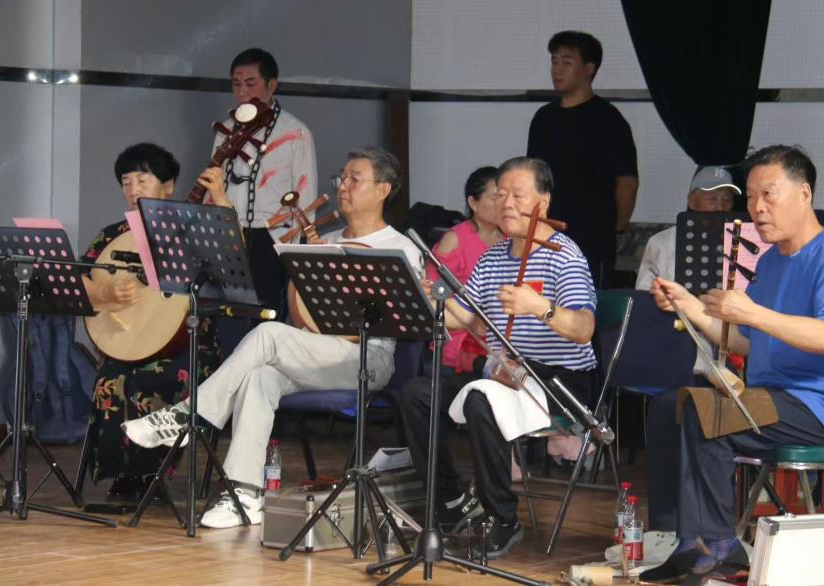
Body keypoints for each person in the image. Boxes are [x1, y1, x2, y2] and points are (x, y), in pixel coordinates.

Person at [122, 147, 421, 528]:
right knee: (259, 377)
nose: (343, 186)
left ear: (383, 190)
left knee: (267, 333)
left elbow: (400, 320)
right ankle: (244, 493)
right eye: (341, 178)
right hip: (317, 351)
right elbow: (303, 317)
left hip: (369, 359)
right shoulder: (325, 240)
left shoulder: (401, 248)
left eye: (354, 179)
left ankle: (187, 415)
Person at [641, 145, 824, 583]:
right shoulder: (771, 261)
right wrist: (689, 305)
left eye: (768, 194)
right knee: (674, 406)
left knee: (709, 414)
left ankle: (718, 545)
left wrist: (752, 312)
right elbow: (747, 342)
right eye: (750, 197)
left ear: (804, 194)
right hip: (776, 399)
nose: (756, 208)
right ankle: (692, 540)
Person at [400, 157, 597, 559]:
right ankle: (451, 501)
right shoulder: (493, 258)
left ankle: (502, 517)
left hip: (559, 383)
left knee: (481, 399)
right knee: (418, 392)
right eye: (500, 194)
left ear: (543, 201)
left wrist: (539, 307)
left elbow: (584, 328)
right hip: (505, 375)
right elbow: (464, 317)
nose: (506, 203)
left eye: (517, 196)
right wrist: (425, 296)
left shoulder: (564, 255)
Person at [82, 143, 229, 501]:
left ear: (169, 186)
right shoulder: (112, 235)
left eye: (142, 180)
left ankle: (150, 474)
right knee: (110, 379)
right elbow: (79, 279)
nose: (133, 190)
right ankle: (123, 474)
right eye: (126, 182)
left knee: (150, 380)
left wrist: (221, 199)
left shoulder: (193, 228)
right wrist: (104, 293)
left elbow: (230, 257)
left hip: (188, 346)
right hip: (131, 342)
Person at [634, 165, 739, 547]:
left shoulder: (747, 244)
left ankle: (717, 528)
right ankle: (666, 527)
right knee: (667, 409)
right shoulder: (662, 243)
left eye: (726, 198)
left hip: (735, 365)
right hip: (678, 363)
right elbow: (644, 308)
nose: (720, 205)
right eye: (711, 198)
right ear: (691, 201)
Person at [527, 31, 638, 289]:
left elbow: (627, 181)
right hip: (546, 234)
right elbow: (531, 176)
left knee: (586, 303)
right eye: (554, 61)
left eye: (567, 62)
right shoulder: (543, 118)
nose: (557, 69)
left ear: (589, 69)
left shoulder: (608, 119)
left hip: (592, 237)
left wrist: (615, 226)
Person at [216, 47, 318, 313]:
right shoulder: (226, 129)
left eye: (250, 83)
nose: (242, 92)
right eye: (236, 84)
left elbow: (306, 198)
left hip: (272, 235)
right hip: (230, 232)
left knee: (266, 314)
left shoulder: (295, 132)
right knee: (229, 312)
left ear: (272, 86)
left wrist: (298, 251)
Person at [425, 166, 503, 373]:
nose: (503, 204)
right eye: (495, 198)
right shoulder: (455, 239)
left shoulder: (509, 240)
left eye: (505, 197)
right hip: (458, 345)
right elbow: (434, 289)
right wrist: (468, 317)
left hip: (498, 348)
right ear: (473, 203)